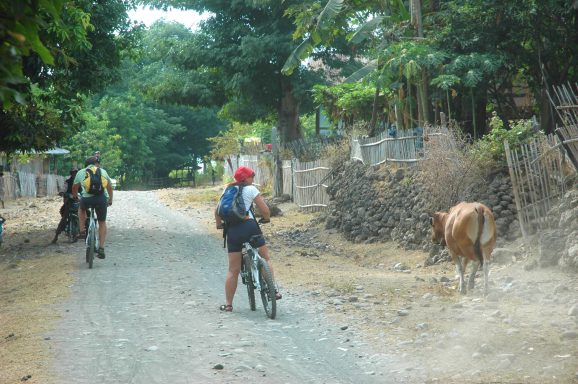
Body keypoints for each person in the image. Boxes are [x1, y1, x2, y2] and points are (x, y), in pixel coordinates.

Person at [215, 166, 281, 312]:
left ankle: (228, 305)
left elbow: (217, 211)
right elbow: (265, 210)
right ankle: (273, 290)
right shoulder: (251, 189)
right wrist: (266, 218)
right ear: (245, 178)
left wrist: (219, 225)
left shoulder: (227, 190)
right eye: (252, 176)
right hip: (250, 226)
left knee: (233, 270)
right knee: (265, 257)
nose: (253, 178)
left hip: (232, 231)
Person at [72, 156, 113, 259]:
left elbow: (74, 188)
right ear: (96, 164)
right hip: (101, 200)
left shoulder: (81, 172)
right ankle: (101, 248)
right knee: (102, 222)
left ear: (86, 164)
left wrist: (76, 197)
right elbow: (110, 188)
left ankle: (82, 231)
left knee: (81, 209)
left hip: (87, 199)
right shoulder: (103, 171)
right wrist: (110, 200)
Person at [52, 168, 79, 243]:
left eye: (76, 173)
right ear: (71, 174)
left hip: (79, 202)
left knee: (87, 215)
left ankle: (87, 233)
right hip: (69, 202)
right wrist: (62, 193)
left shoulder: (81, 182)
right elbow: (63, 190)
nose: (75, 174)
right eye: (73, 173)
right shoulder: (67, 182)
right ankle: (56, 236)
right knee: (64, 218)